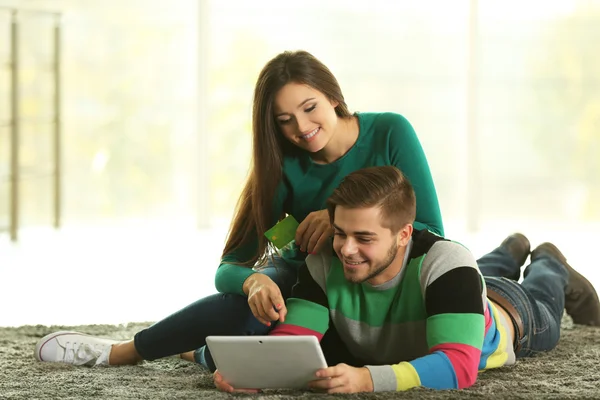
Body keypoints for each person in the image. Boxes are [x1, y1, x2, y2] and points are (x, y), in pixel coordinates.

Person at [33, 50, 443, 368]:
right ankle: (121, 352)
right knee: (250, 314)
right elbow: (229, 266)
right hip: (307, 279)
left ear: (333, 96)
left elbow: (432, 233)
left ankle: (202, 354)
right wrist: (253, 283)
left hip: (378, 278)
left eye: (309, 107)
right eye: (284, 120)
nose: (300, 128)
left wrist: (338, 219)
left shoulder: (390, 131)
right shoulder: (281, 166)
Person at [213, 166, 600, 394]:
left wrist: (367, 380)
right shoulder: (324, 262)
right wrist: (252, 370)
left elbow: (458, 368)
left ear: (404, 234)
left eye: (364, 238)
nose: (346, 249)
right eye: (341, 232)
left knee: (542, 287)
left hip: (513, 316)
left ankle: (548, 258)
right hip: (464, 291)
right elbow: (295, 340)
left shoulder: (449, 264)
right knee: (483, 270)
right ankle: (510, 248)